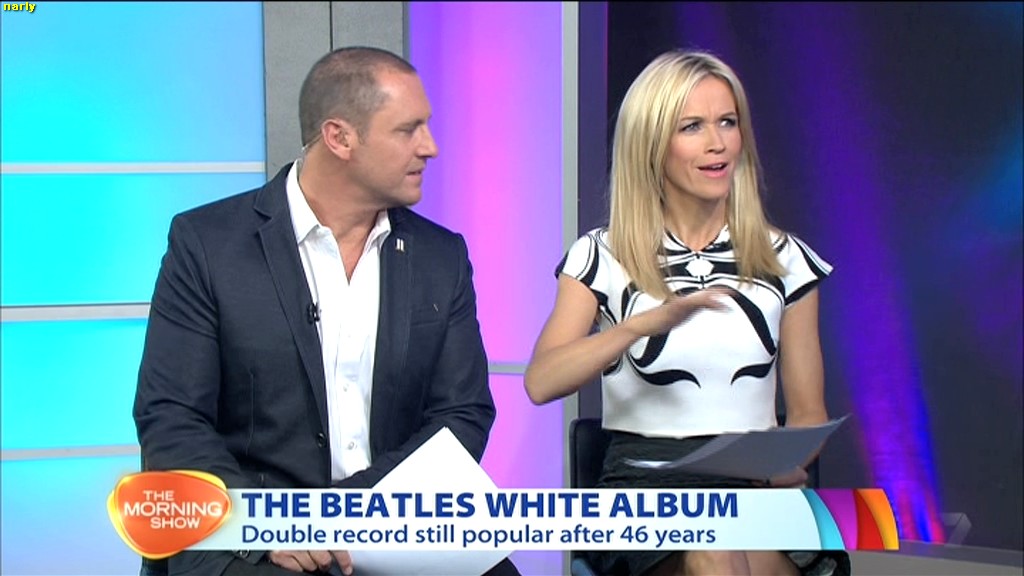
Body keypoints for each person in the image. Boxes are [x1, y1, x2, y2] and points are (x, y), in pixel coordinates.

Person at [134, 46, 518, 576]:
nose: (429, 147)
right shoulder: (207, 244)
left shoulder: (441, 256)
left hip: (391, 522)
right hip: (252, 537)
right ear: (339, 138)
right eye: (408, 130)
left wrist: (346, 515)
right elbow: (172, 418)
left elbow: (463, 414)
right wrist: (266, 524)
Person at [524, 49, 850, 576]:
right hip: (646, 488)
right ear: (651, 144)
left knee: (729, 547)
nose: (717, 143)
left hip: (754, 483)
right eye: (692, 126)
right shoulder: (600, 255)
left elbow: (809, 412)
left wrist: (781, 467)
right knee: (713, 550)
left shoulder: (785, 259)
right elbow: (541, 382)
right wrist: (640, 325)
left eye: (728, 122)